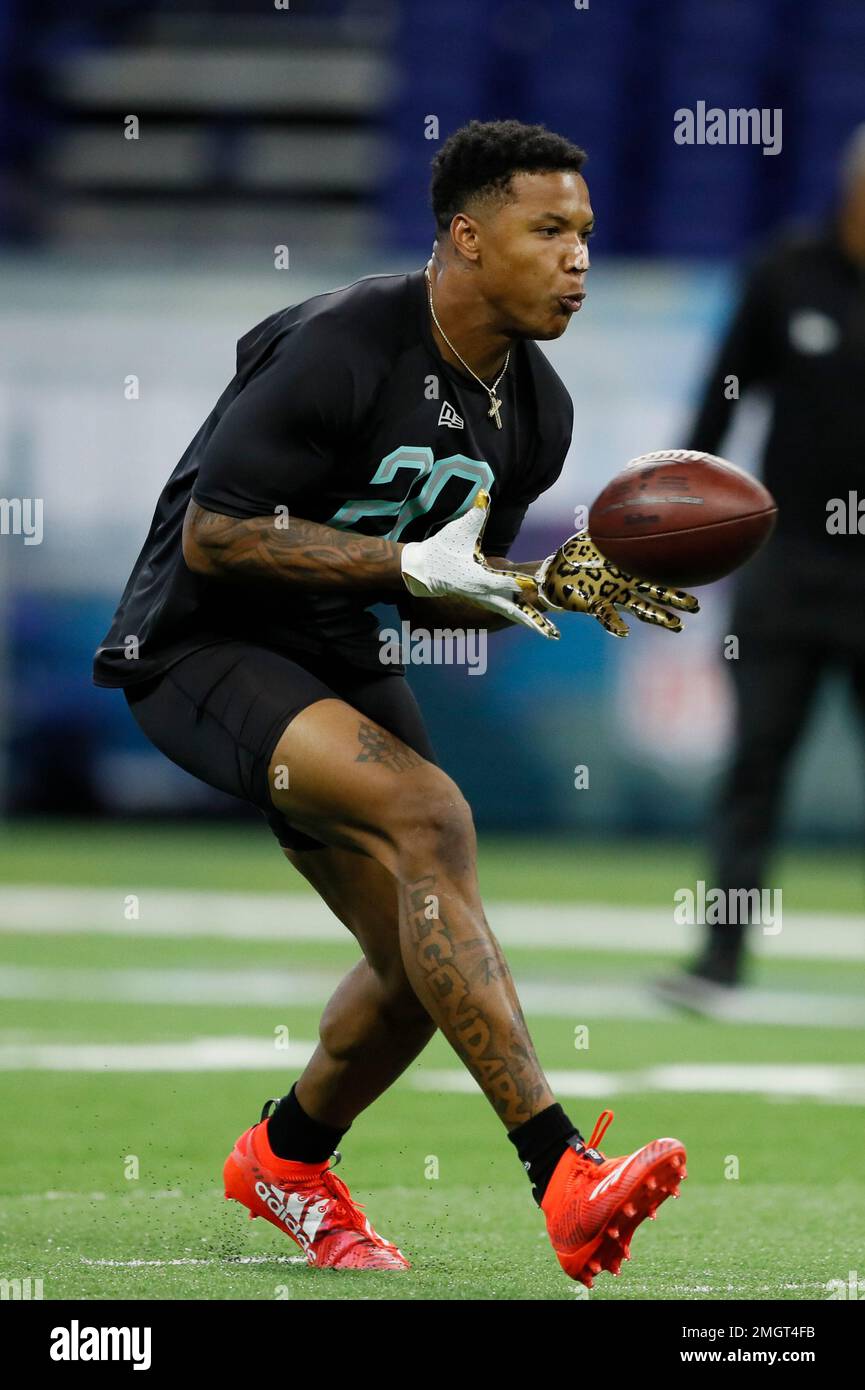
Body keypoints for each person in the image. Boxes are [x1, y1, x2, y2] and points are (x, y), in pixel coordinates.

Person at [93, 119, 693, 1285]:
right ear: (466, 238)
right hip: (198, 645)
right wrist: (404, 569)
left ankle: (284, 1157)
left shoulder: (538, 413)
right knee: (434, 820)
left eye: (586, 234)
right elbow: (217, 539)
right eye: (549, 231)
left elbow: (444, 587)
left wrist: (535, 588)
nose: (578, 259)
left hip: (337, 647)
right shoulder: (341, 342)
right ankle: (562, 1172)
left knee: (425, 966)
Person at [656, 124, 865, 1008]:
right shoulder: (784, 272)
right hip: (787, 567)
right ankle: (721, 957)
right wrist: (673, 528)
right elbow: (718, 402)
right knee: (754, 767)